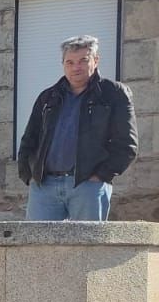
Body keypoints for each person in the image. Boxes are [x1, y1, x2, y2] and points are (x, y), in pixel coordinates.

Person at [18, 34, 138, 222]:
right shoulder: (48, 97)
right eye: (70, 62)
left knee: (86, 248)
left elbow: (127, 144)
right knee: (38, 249)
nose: (76, 67)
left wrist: (101, 176)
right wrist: (29, 175)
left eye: (83, 60)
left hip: (88, 185)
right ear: (63, 64)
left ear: (96, 60)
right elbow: (29, 140)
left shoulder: (114, 94)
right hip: (44, 187)